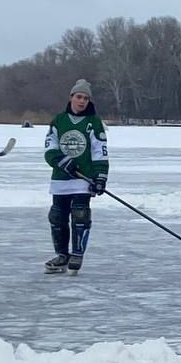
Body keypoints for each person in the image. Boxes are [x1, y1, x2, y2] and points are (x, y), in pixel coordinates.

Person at [42, 79, 109, 274]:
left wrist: (100, 177)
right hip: (61, 180)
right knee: (57, 217)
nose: (82, 101)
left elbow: (100, 152)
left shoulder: (93, 122)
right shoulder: (58, 120)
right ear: (71, 97)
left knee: (80, 214)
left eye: (86, 98)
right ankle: (62, 255)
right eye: (79, 97)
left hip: (83, 179)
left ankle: (77, 253)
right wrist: (60, 160)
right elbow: (50, 148)